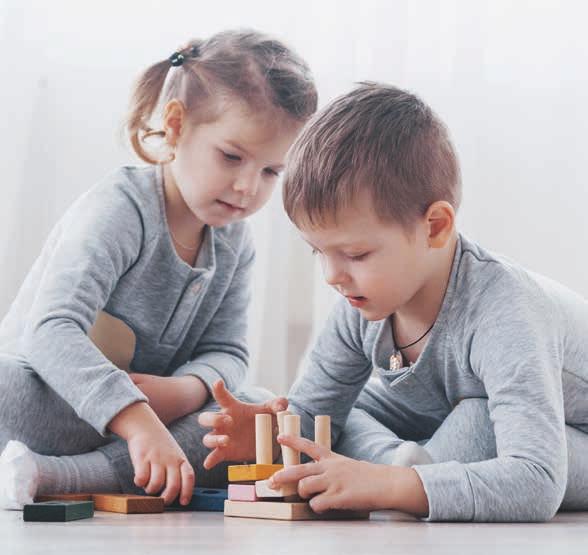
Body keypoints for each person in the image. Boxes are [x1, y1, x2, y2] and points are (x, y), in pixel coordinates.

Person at [199, 82, 588, 522]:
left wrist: (386, 485)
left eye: (357, 254)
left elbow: (537, 479)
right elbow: (314, 413)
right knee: (348, 413)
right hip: (440, 425)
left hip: (561, 437)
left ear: (435, 226)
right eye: (319, 252)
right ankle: (408, 468)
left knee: (480, 421)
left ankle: (400, 475)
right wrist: (270, 434)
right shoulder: (360, 303)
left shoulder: (506, 310)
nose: (332, 276)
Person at [0, 29, 316, 509]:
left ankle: (51, 476)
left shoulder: (234, 241)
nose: (249, 187)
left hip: (148, 423)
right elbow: (50, 331)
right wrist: (136, 418)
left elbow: (227, 350)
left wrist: (184, 392)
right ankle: (78, 463)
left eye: (272, 171)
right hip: (49, 401)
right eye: (231, 157)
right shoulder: (119, 210)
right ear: (176, 125)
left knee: (258, 413)